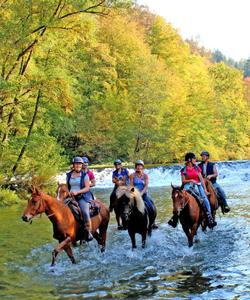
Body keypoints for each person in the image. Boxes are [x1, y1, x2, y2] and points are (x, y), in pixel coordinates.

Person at [168, 152, 217, 229]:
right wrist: (190, 180)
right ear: (189, 159)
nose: (195, 160)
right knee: (180, 199)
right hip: (188, 186)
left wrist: (205, 190)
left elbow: (201, 179)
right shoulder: (184, 170)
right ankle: (175, 218)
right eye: (194, 158)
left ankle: (209, 217)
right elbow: (183, 181)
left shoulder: (197, 168)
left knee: (205, 199)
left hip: (198, 185)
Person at [66, 156, 94, 241]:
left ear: (82, 165)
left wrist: (77, 192)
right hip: (71, 197)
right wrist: (67, 193)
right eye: (76, 164)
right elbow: (67, 186)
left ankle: (88, 231)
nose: (78, 166)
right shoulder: (69, 175)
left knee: (85, 212)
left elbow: (87, 188)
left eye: (79, 164)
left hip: (82, 196)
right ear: (73, 165)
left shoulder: (85, 175)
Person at [130, 160, 158, 228]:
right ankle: (127, 222)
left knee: (150, 205)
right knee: (127, 206)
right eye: (137, 166)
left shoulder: (145, 175)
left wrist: (141, 193)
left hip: (143, 194)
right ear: (135, 167)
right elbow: (131, 186)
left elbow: (146, 186)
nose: (138, 167)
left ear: (142, 167)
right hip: (135, 194)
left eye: (140, 166)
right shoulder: (132, 175)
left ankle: (153, 222)